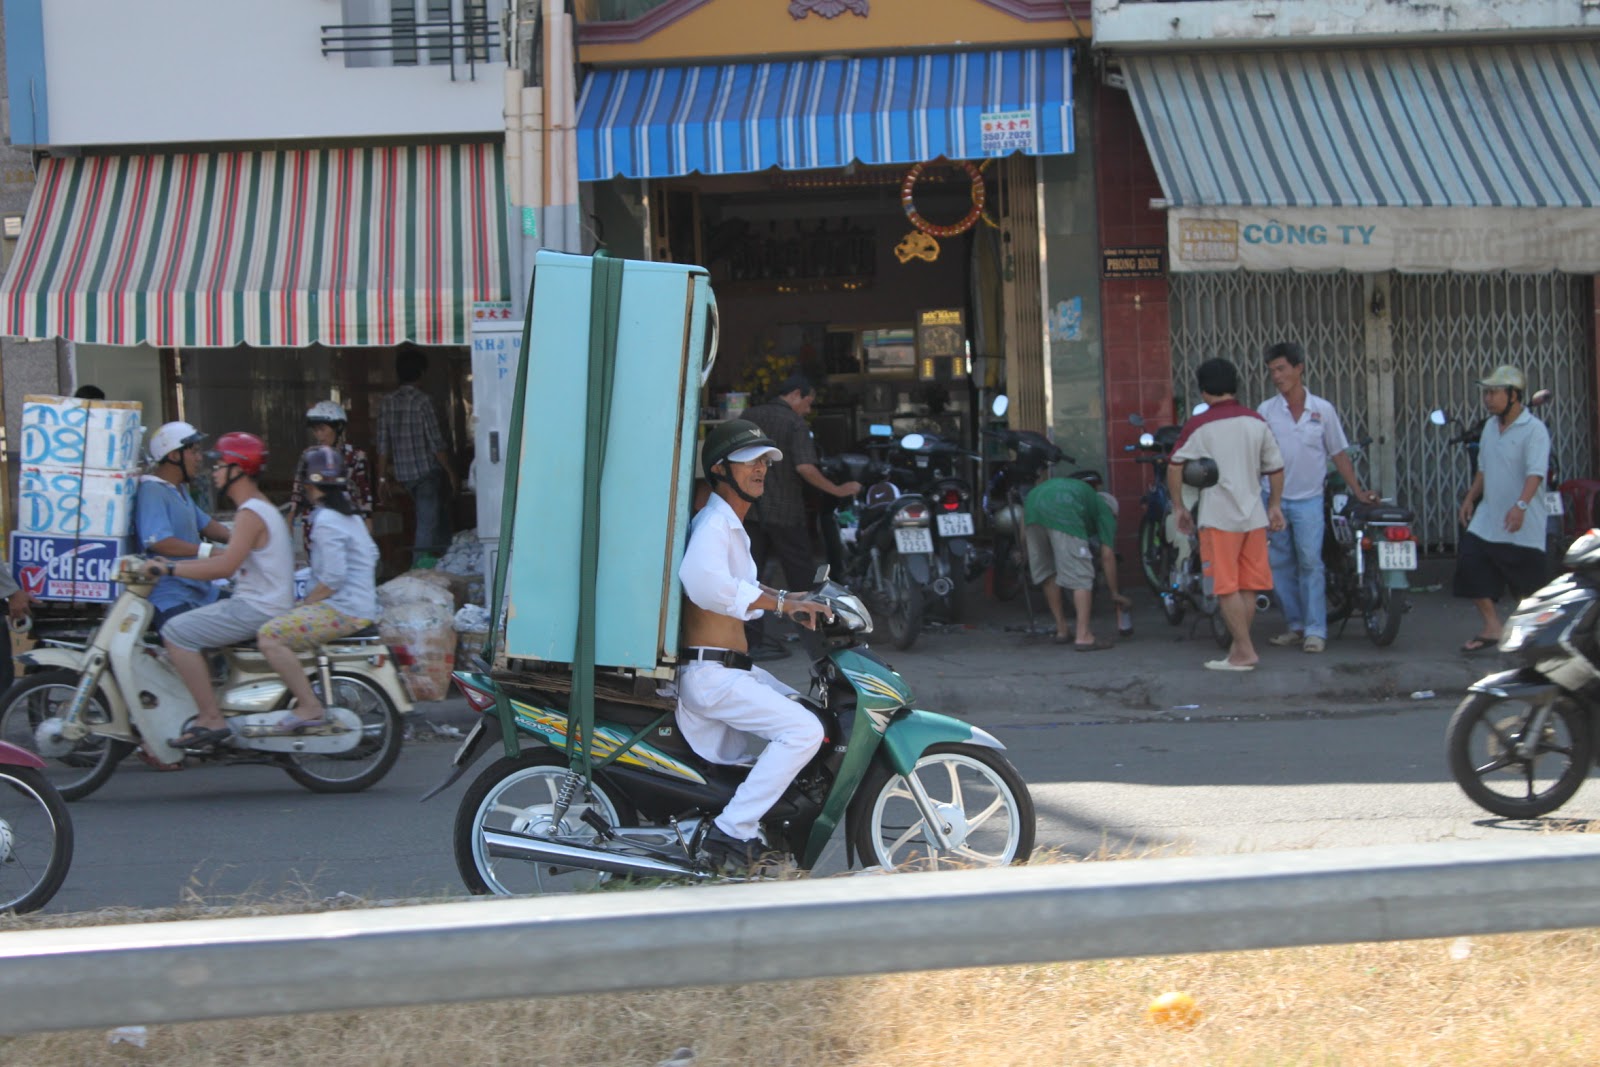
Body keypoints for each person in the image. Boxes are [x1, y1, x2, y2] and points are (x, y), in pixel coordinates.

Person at [677, 419, 832, 873]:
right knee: (803, 731)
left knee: (813, 719)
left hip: (729, 669)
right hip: (711, 675)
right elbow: (704, 583)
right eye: (749, 461)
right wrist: (782, 603)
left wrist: (791, 598)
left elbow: (741, 584)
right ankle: (733, 830)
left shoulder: (729, 524)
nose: (760, 468)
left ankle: (761, 827)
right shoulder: (714, 523)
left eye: (764, 461)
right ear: (720, 469)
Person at [143, 433, 294, 750]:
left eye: (220, 465)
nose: (212, 470)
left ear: (237, 470)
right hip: (264, 600)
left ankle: (210, 718)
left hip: (256, 605)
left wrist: (171, 568)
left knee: (176, 633)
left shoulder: (249, 513)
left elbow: (224, 566)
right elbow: (222, 552)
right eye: (198, 453)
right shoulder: (259, 507)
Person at [1258, 342, 1379, 654]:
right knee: (1279, 564)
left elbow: (1338, 453)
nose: (1276, 376)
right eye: (1272, 371)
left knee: (1310, 562)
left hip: (1309, 499)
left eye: (1281, 369)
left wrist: (1358, 490)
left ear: (1299, 368)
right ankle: (1295, 625)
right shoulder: (1266, 411)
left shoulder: (1322, 410)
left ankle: (1315, 630)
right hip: (1273, 499)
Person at [1169, 358, 1287, 672]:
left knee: (1225, 587)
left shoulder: (1199, 425)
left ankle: (1244, 651)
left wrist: (1179, 507)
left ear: (1204, 391)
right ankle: (1238, 650)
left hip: (1219, 517)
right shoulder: (1256, 421)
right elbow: (1275, 468)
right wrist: (1275, 505)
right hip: (1254, 516)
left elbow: (1175, 465)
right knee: (1247, 586)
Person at [257, 447, 380, 732]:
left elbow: (333, 578)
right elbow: (372, 555)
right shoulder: (351, 517)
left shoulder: (326, 520)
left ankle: (309, 705)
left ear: (308, 484)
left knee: (269, 637)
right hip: (359, 605)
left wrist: (308, 603)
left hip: (342, 610)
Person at [740, 375, 861, 661]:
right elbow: (805, 467)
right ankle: (815, 637)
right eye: (808, 402)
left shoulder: (749, 416)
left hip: (750, 509)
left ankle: (750, 641)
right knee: (801, 577)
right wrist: (838, 489)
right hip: (785, 511)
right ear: (795, 394)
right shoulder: (794, 423)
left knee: (749, 575)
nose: (808, 409)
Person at [1455, 365, 1550, 652]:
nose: (1488, 399)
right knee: (1470, 563)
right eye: (1486, 393)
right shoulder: (1489, 428)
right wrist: (1470, 498)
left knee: (1528, 588)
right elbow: (1483, 469)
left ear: (1513, 395)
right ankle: (1493, 627)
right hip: (1489, 517)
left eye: (1493, 393)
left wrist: (1520, 506)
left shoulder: (1534, 430)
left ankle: (1533, 636)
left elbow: (1535, 474)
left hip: (1523, 522)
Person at [133, 422, 233, 631]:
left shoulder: (179, 490)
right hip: (171, 596)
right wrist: (210, 551)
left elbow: (207, 525)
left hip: (200, 590)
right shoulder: (152, 490)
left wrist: (245, 542)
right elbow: (160, 542)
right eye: (194, 452)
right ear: (174, 455)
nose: (199, 458)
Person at [1022, 474, 1130, 650]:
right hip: (1063, 511)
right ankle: (1083, 636)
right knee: (1082, 577)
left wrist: (1023, 548)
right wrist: (1114, 593)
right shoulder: (1105, 510)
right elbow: (1107, 556)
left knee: (1048, 572)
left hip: (1033, 505)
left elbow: (1024, 526)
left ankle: (1062, 630)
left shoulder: (1085, 497)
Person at [377, 345, 457, 564]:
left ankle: (441, 561)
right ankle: (419, 569)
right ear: (421, 373)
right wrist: (451, 472)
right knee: (427, 524)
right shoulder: (423, 401)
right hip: (426, 473)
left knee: (433, 519)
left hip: (403, 476)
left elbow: (382, 445)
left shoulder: (387, 402)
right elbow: (436, 443)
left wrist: (382, 478)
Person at [288, 401, 375, 549]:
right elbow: (298, 490)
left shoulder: (356, 457)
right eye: (315, 430)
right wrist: (290, 517)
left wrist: (367, 522)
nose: (319, 435)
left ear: (338, 428)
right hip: (314, 525)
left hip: (347, 524)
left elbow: (364, 494)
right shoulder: (309, 456)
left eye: (323, 429)